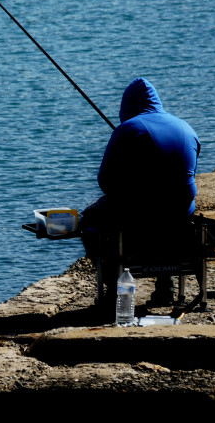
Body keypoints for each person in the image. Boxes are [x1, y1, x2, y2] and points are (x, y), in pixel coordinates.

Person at [81, 77, 201, 305]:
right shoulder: (185, 126)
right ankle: (165, 286)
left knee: (90, 221)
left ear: (126, 106)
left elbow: (105, 182)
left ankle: (113, 289)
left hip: (139, 214)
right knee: (167, 215)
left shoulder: (128, 129)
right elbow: (188, 172)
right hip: (180, 210)